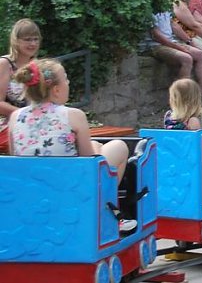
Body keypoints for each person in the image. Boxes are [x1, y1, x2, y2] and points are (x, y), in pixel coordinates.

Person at [10, 59, 136, 231]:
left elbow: (14, 159)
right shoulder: (73, 115)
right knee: (119, 146)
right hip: (69, 191)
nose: (68, 83)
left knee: (96, 145)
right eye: (66, 79)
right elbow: (88, 162)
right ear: (56, 90)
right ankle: (104, 213)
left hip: (32, 192)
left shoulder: (15, 117)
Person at [0, 19, 41, 154]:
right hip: (10, 124)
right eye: (28, 39)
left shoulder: (39, 65)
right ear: (16, 41)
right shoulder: (5, 64)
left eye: (36, 39)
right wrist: (26, 115)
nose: (33, 43)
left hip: (39, 121)